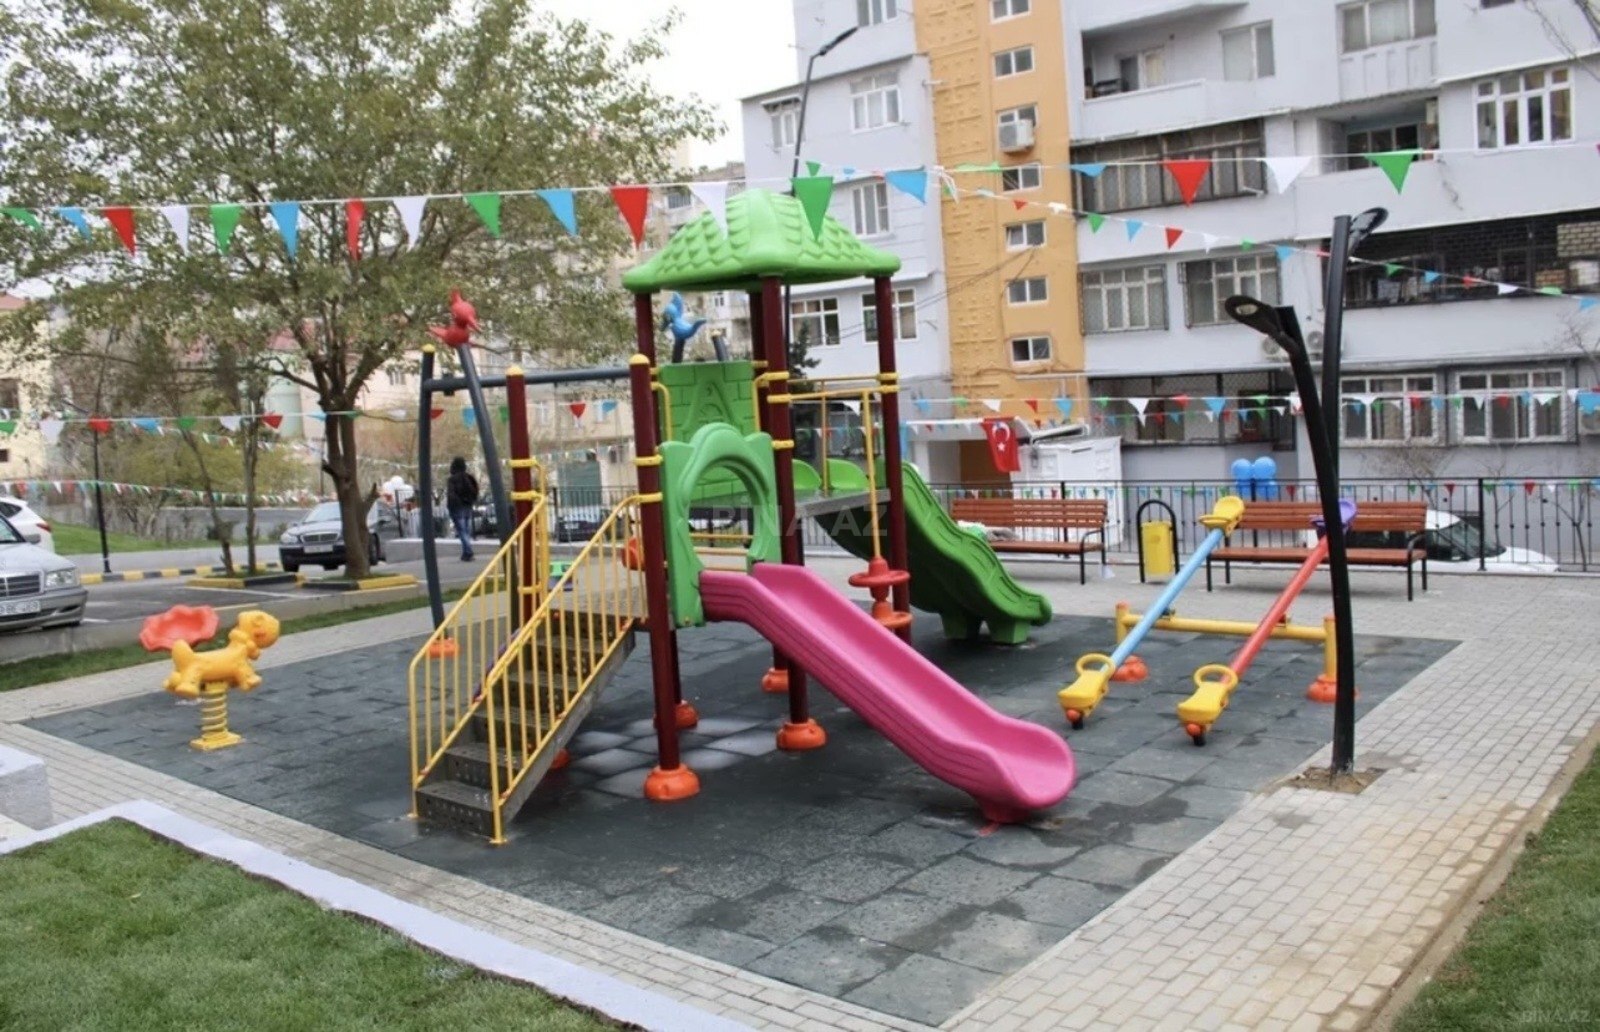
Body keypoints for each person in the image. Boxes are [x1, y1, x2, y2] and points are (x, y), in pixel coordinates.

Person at [445, 457, 479, 561]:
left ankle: (468, 552)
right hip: (467, 506)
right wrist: (470, 501)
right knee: (466, 530)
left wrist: (454, 504)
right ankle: (466, 553)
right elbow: (475, 490)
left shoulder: (452, 479)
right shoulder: (469, 477)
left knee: (461, 531)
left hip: (457, 507)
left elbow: (451, 494)